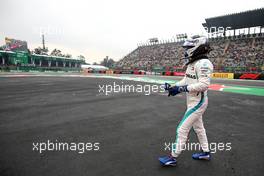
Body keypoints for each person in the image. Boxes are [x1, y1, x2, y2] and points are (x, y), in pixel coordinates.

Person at [159, 35, 214, 166]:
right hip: (192, 101)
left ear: (197, 47)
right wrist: (174, 87)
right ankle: (206, 153)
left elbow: (204, 85)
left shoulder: (204, 63)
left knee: (182, 129)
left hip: (198, 102)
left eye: (189, 47)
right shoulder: (193, 63)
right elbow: (186, 80)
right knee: (199, 128)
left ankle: (173, 157)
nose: (186, 50)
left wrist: (181, 89)